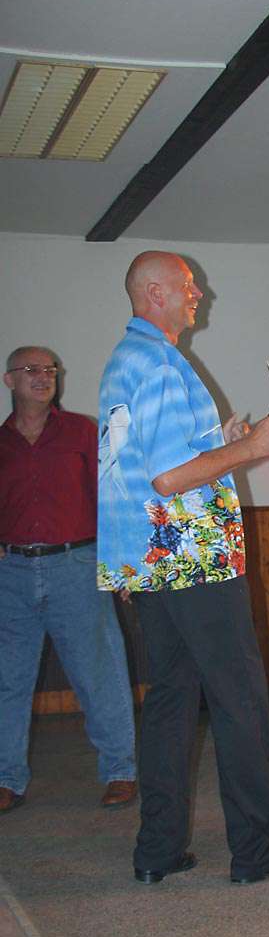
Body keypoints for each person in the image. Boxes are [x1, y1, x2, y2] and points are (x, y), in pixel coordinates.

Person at [98, 250, 269, 885]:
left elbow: (144, 465)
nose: (199, 294)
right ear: (155, 292)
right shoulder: (162, 364)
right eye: (188, 286)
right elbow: (169, 479)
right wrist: (251, 448)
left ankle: (158, 851)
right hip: (194, 559)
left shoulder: (124, 361)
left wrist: (222, 441)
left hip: (151, 562)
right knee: (239, 698)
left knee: (170, 699)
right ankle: (255, 852)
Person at [0, 346, 137, 815]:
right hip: (11, 575)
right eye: (31, 370)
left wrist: (120, 565)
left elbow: (111, 497)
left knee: (100, 675)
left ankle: (120, 771)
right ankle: (6, 779)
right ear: (10, 380)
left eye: (50, 370)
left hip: (77, 565)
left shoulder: (81, 432)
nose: (43, 376)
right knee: (7, 681)